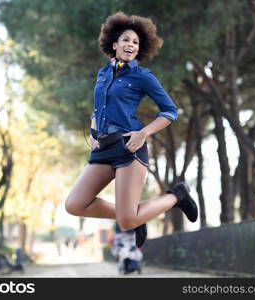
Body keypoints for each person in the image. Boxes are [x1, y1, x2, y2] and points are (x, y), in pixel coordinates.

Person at [65, 12, 198, 248]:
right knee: (74, 204)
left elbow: (170, 111)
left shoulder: (142, 76)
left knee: (127, 220)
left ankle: (177, 196)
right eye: (126, 40)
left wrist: (143, 133)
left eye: (135, 42)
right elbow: (98, 108)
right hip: (103, 148)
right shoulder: (103, 73)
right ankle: (139, 216)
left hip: (129, 147)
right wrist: (95, 130)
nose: (131, 45)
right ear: (114, 44)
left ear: (139, 50)